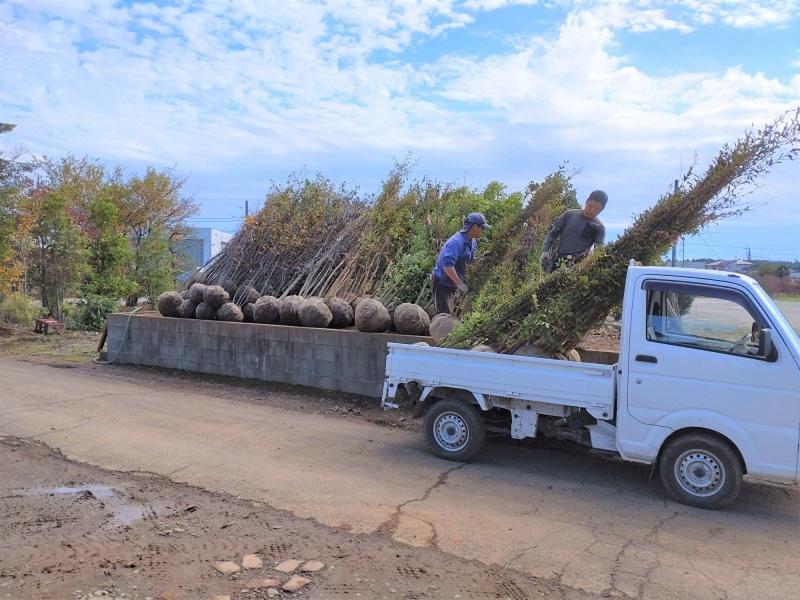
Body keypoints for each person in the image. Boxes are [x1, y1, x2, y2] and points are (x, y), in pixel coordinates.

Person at [430, 212, 491, 315]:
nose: (483, 231)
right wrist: (460, 284)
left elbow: (470, 261)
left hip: (453, 283)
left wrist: (482, 257)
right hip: (442, 283)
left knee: (450, 314)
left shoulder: (472, 242)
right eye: (482, 228)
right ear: (475, 227)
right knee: (444, 316)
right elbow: (447, 266)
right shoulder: (456, 242)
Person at [540, 190, 607, 272]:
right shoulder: (568, 215)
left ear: (601, 210)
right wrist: (545, 251)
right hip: (558, 262)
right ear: (587, 201)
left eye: (596, 209)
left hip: (578, 267)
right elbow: (552, 234)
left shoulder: (599, 227)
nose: (591, 210)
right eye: (590, 206)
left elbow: (598, 253)